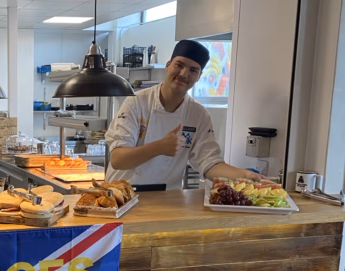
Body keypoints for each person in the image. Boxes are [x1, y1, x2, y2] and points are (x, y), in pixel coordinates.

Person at [105, 39, 261, 190]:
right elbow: (118, 159)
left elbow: (209, 163)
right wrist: (159, 147)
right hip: (121, 196)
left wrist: (241, 174)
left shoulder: (198, 115)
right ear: (168, 65)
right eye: (179, 65)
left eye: (193, 70)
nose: (184, 74)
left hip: (166, 199)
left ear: (199, 77)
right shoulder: (136, 103)